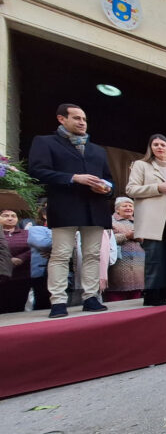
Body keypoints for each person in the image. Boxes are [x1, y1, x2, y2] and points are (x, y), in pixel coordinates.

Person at [28, 104, 113, 318]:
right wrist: (73, 178)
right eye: (76, 118)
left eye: (84, 118)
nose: (82, 122)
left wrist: (105, 187)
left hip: (95, 207)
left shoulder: (98, 150)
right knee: (61, 254)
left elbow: (109, 179)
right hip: (65, 206)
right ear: (61, 119)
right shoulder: (45, 142)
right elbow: (37, 171)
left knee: (93, 255)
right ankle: (58, 301)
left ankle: (91, 298)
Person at [126, 134, 166, 306]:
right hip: (153, 219)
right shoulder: (142, 165)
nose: (159, 147)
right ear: (151, 148)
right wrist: (158, 188)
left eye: (163, 144)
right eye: (155, 144)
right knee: (155, 256)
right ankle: (152, 293)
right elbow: (131, 189)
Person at [104, 197, 145, 302]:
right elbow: (106, 239)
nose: (128, 208)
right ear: (117, 209)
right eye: (124, 206)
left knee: (136, 294)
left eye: (130, 206)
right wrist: (127, 236)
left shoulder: (139, 222)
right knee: (116, 292)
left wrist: (141, 238)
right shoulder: (109, 221)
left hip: (138, 264)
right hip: (117, 262)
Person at [0, 209, 32, 313]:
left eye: (13, 216)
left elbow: (34, 248)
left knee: (18, 306)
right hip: (2, 274)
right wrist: (7, 260)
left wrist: (22, 258)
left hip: (22, 275)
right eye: (6, 216)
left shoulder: (27, 233)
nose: (10, 218)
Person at [26, 203, 53, 310]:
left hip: (64, 271)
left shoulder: (64, 231)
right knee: (43, 302)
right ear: (44, 215)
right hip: (41, 272)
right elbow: (43, 244)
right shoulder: (36, 229)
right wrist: (62, 242)